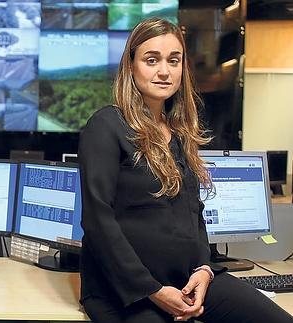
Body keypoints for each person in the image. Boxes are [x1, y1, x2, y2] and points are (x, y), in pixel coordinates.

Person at [78, 17, 293, 323]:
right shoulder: (106, 126)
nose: (164, 71)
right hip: (124, 290)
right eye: (151, 60)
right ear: (131, 66)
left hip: (187, 280)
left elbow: (195, 213)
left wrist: (205, 269)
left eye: (173, 60)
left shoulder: (179, 133)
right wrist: (152, 290)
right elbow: (98, 221)